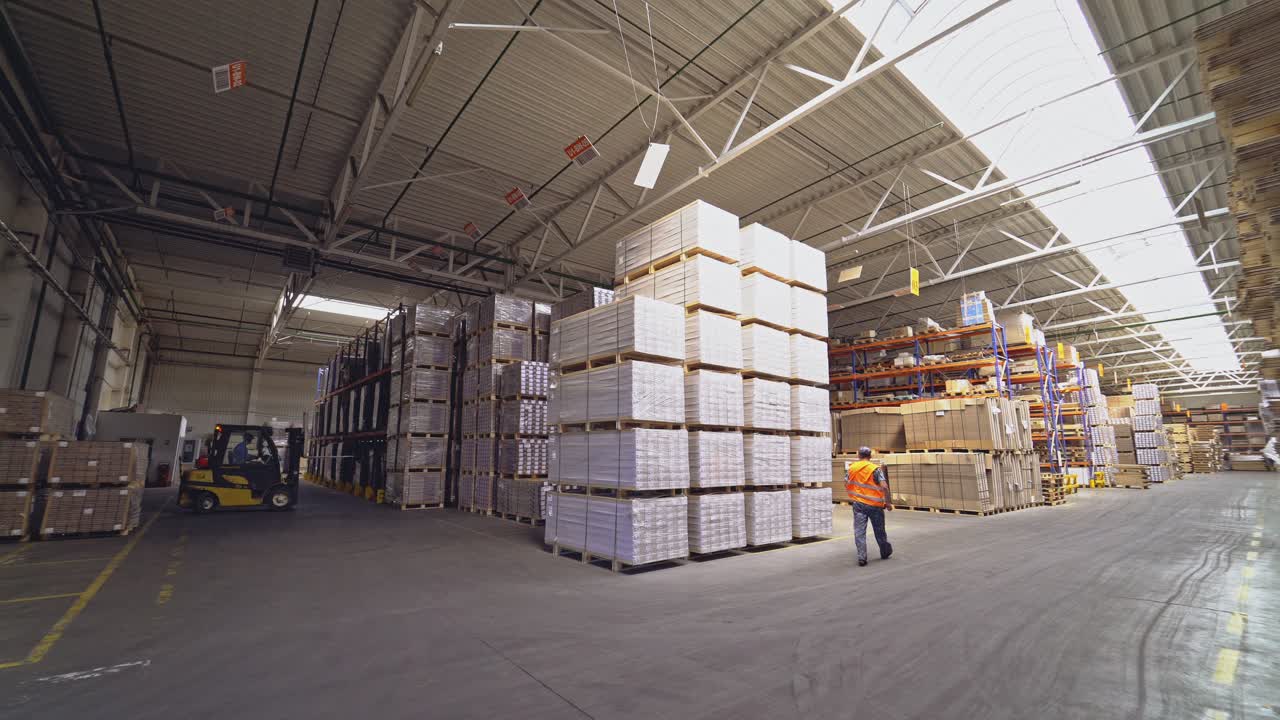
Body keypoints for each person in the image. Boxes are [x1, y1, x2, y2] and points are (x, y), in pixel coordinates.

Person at [845, 446, 892, 566]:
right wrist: (888, 503)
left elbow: (846, 482)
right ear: (870, 456)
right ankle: (885, 551)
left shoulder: (851, 468)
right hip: (875, 505)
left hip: (859, 504)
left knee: (859, 531)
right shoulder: (875, 469)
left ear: (859, 455)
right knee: (879, 530)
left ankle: (862, 557)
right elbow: (884, 486)